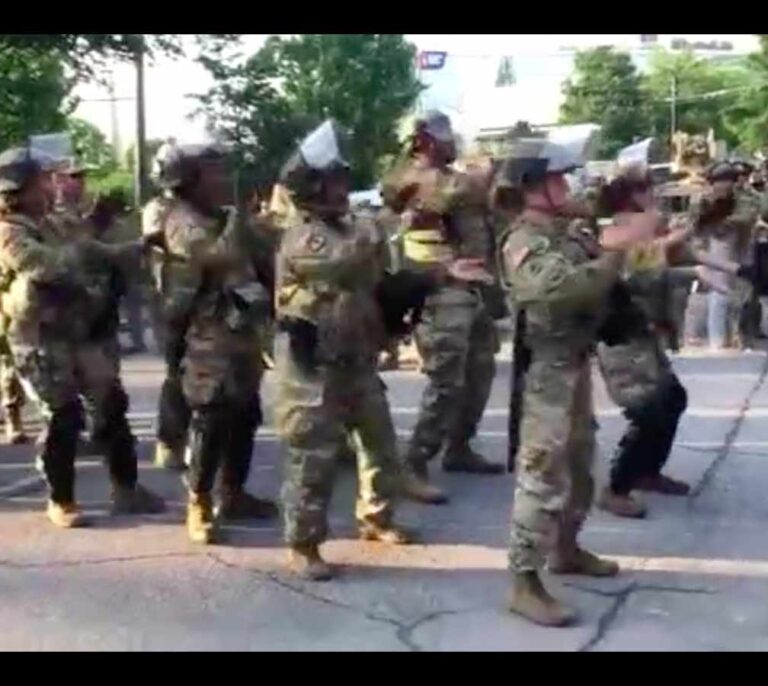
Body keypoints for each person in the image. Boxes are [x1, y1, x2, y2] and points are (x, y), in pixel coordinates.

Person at [498, 139, 658, 627]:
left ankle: (566, 549)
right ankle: (523, 582)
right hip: (547, 370)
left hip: (574, 362)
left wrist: (645, 249)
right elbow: (560, 289)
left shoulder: (566, 232)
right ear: (531, 187)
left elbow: (618, 271)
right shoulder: (523, 239)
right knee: (543, 472)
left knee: (580, 466)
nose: (567, 187)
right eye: (556, 179)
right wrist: (614, 254)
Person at [275, 120, 415, 581]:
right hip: (314, 367)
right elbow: (340, 263)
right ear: (311, 189)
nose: (342, 190)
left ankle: (376, 518)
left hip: (356, 357)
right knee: (313, 458)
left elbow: (377, 275)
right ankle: (304, 543)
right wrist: (381, 232)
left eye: (342, 182)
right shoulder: (303, 234)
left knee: (381, 445)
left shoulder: (353, 226)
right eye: (333, 182)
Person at [0, 146, 164, 528]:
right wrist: (84, 258)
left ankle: (126, 488)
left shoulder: (55, 224)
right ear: (19, 189)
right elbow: (46, 266)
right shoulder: (9, 232)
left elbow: (94, 250)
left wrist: (136, 247)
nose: (50, 186)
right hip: (39, 339)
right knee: (63, 416)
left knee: (111, 404)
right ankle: (62, 500)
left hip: (78, 333)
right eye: (43, 179)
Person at [145, 142, 277, 544]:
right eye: (213, 173)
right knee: (211, 417)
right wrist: (240, 223)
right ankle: (199, 502)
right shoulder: (181, 221)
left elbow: (261, 254)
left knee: (245, 415)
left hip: (242, 331)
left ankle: (233, 493)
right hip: (205, 335)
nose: (224, 181)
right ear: (189, 182)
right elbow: (212, 257)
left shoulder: (224, 216)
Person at [381, 111, 502, 507]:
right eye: (446, 137)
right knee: (447, 380)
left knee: (480, 370)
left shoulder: (458, 178)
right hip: (441, 289)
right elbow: (447, 196)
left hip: (475, 285)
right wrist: (483, 179)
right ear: (425, 141)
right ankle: (414, 461)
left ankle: (460, 447)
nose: (454, 144)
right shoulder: (409, 177)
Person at [686, 162, 757, 350]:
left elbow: (747, 217)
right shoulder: (702, 199)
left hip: (740, 249)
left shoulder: (743, 199)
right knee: (720, 293)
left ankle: (733, 335)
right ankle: (718, 340)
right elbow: (693, 225)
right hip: (715, 250)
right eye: (720, 181)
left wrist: (724, 221)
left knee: (740, 296)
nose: (724, 185)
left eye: (728, 181)